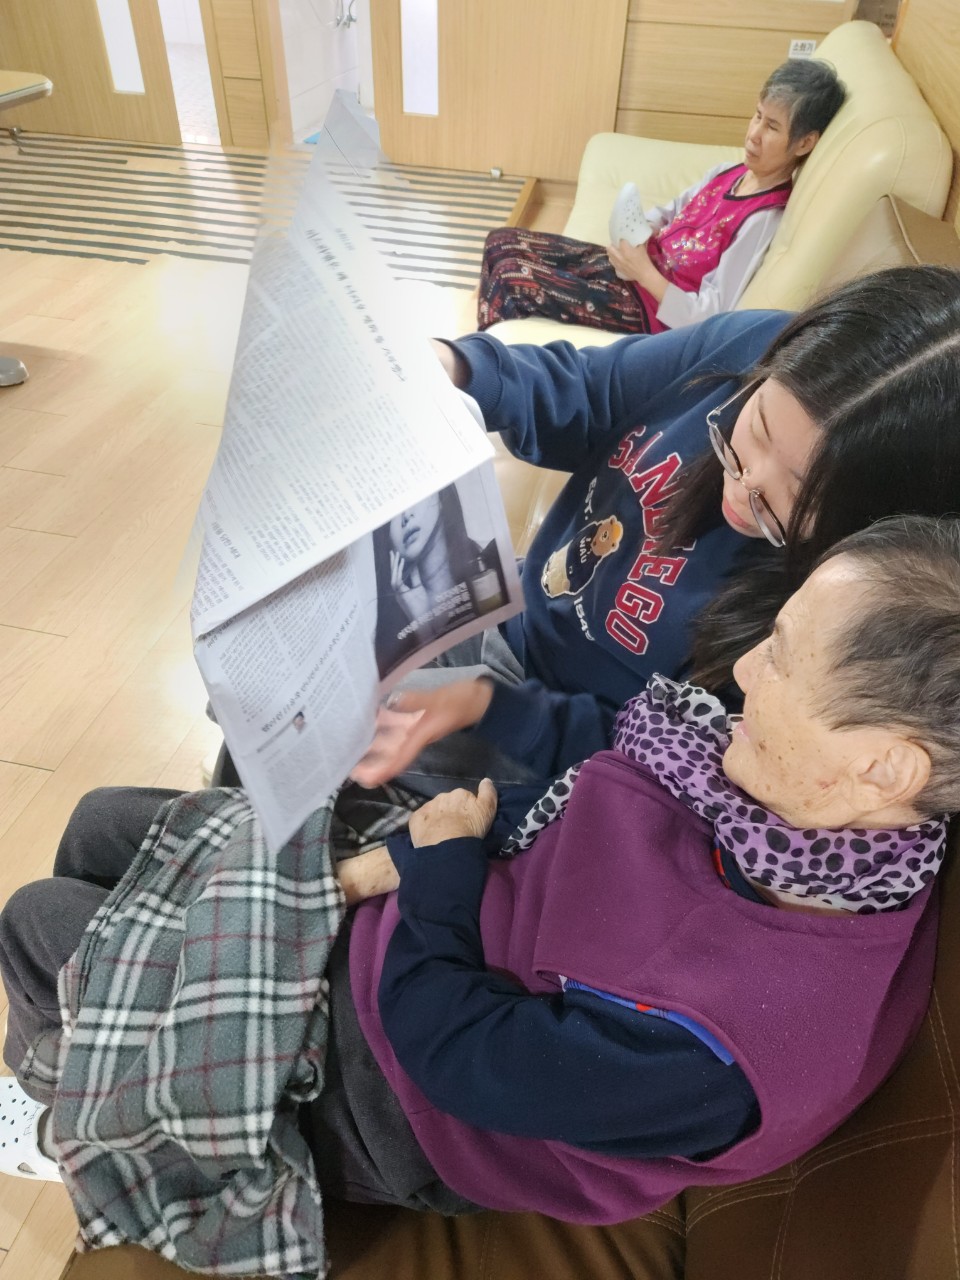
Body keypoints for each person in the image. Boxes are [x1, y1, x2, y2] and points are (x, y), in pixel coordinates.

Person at [1, 517, 957, 1236]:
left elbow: (454, 1055)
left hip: (401, 1091)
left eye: (782, 660)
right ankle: (88, 1050)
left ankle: (82, 1115)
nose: (744, 670)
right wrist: (405, 857)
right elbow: (595, 794)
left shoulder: (739, 1046)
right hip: (434, 914)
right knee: (101, 822)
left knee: (39, 920)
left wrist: (438, 867)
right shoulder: (782, 801)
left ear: (885, 768)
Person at [349, 266, 960, 801]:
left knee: (326, 727)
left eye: (793, 497)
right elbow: (591, 389)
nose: (739, 489)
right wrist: (456, 368)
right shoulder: (752, 344)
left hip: (541, 740)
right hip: (504, 611)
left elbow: (666, 761)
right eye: (755, 430)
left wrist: (486, 704)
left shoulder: (845, 616)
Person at [477, 58, 846, 335]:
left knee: (512, 277)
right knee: (500, 242)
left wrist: (642, 271)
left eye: (772, 127)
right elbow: (673, 210)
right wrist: (642, 234)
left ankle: (480, 380)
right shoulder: (729, 172)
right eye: (757, 116)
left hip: (648, 309)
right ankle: (482, 356)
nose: (754, 134)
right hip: (634, 269)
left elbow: (711, 314)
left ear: (804, 143)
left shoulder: (762, 218)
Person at [373, 483, 506, 679]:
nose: (405, 516)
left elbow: (497, 683)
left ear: (441, 495)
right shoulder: (388, 638)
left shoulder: (496, 568)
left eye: (411, 496)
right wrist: (425, 629)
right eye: (390, 515)